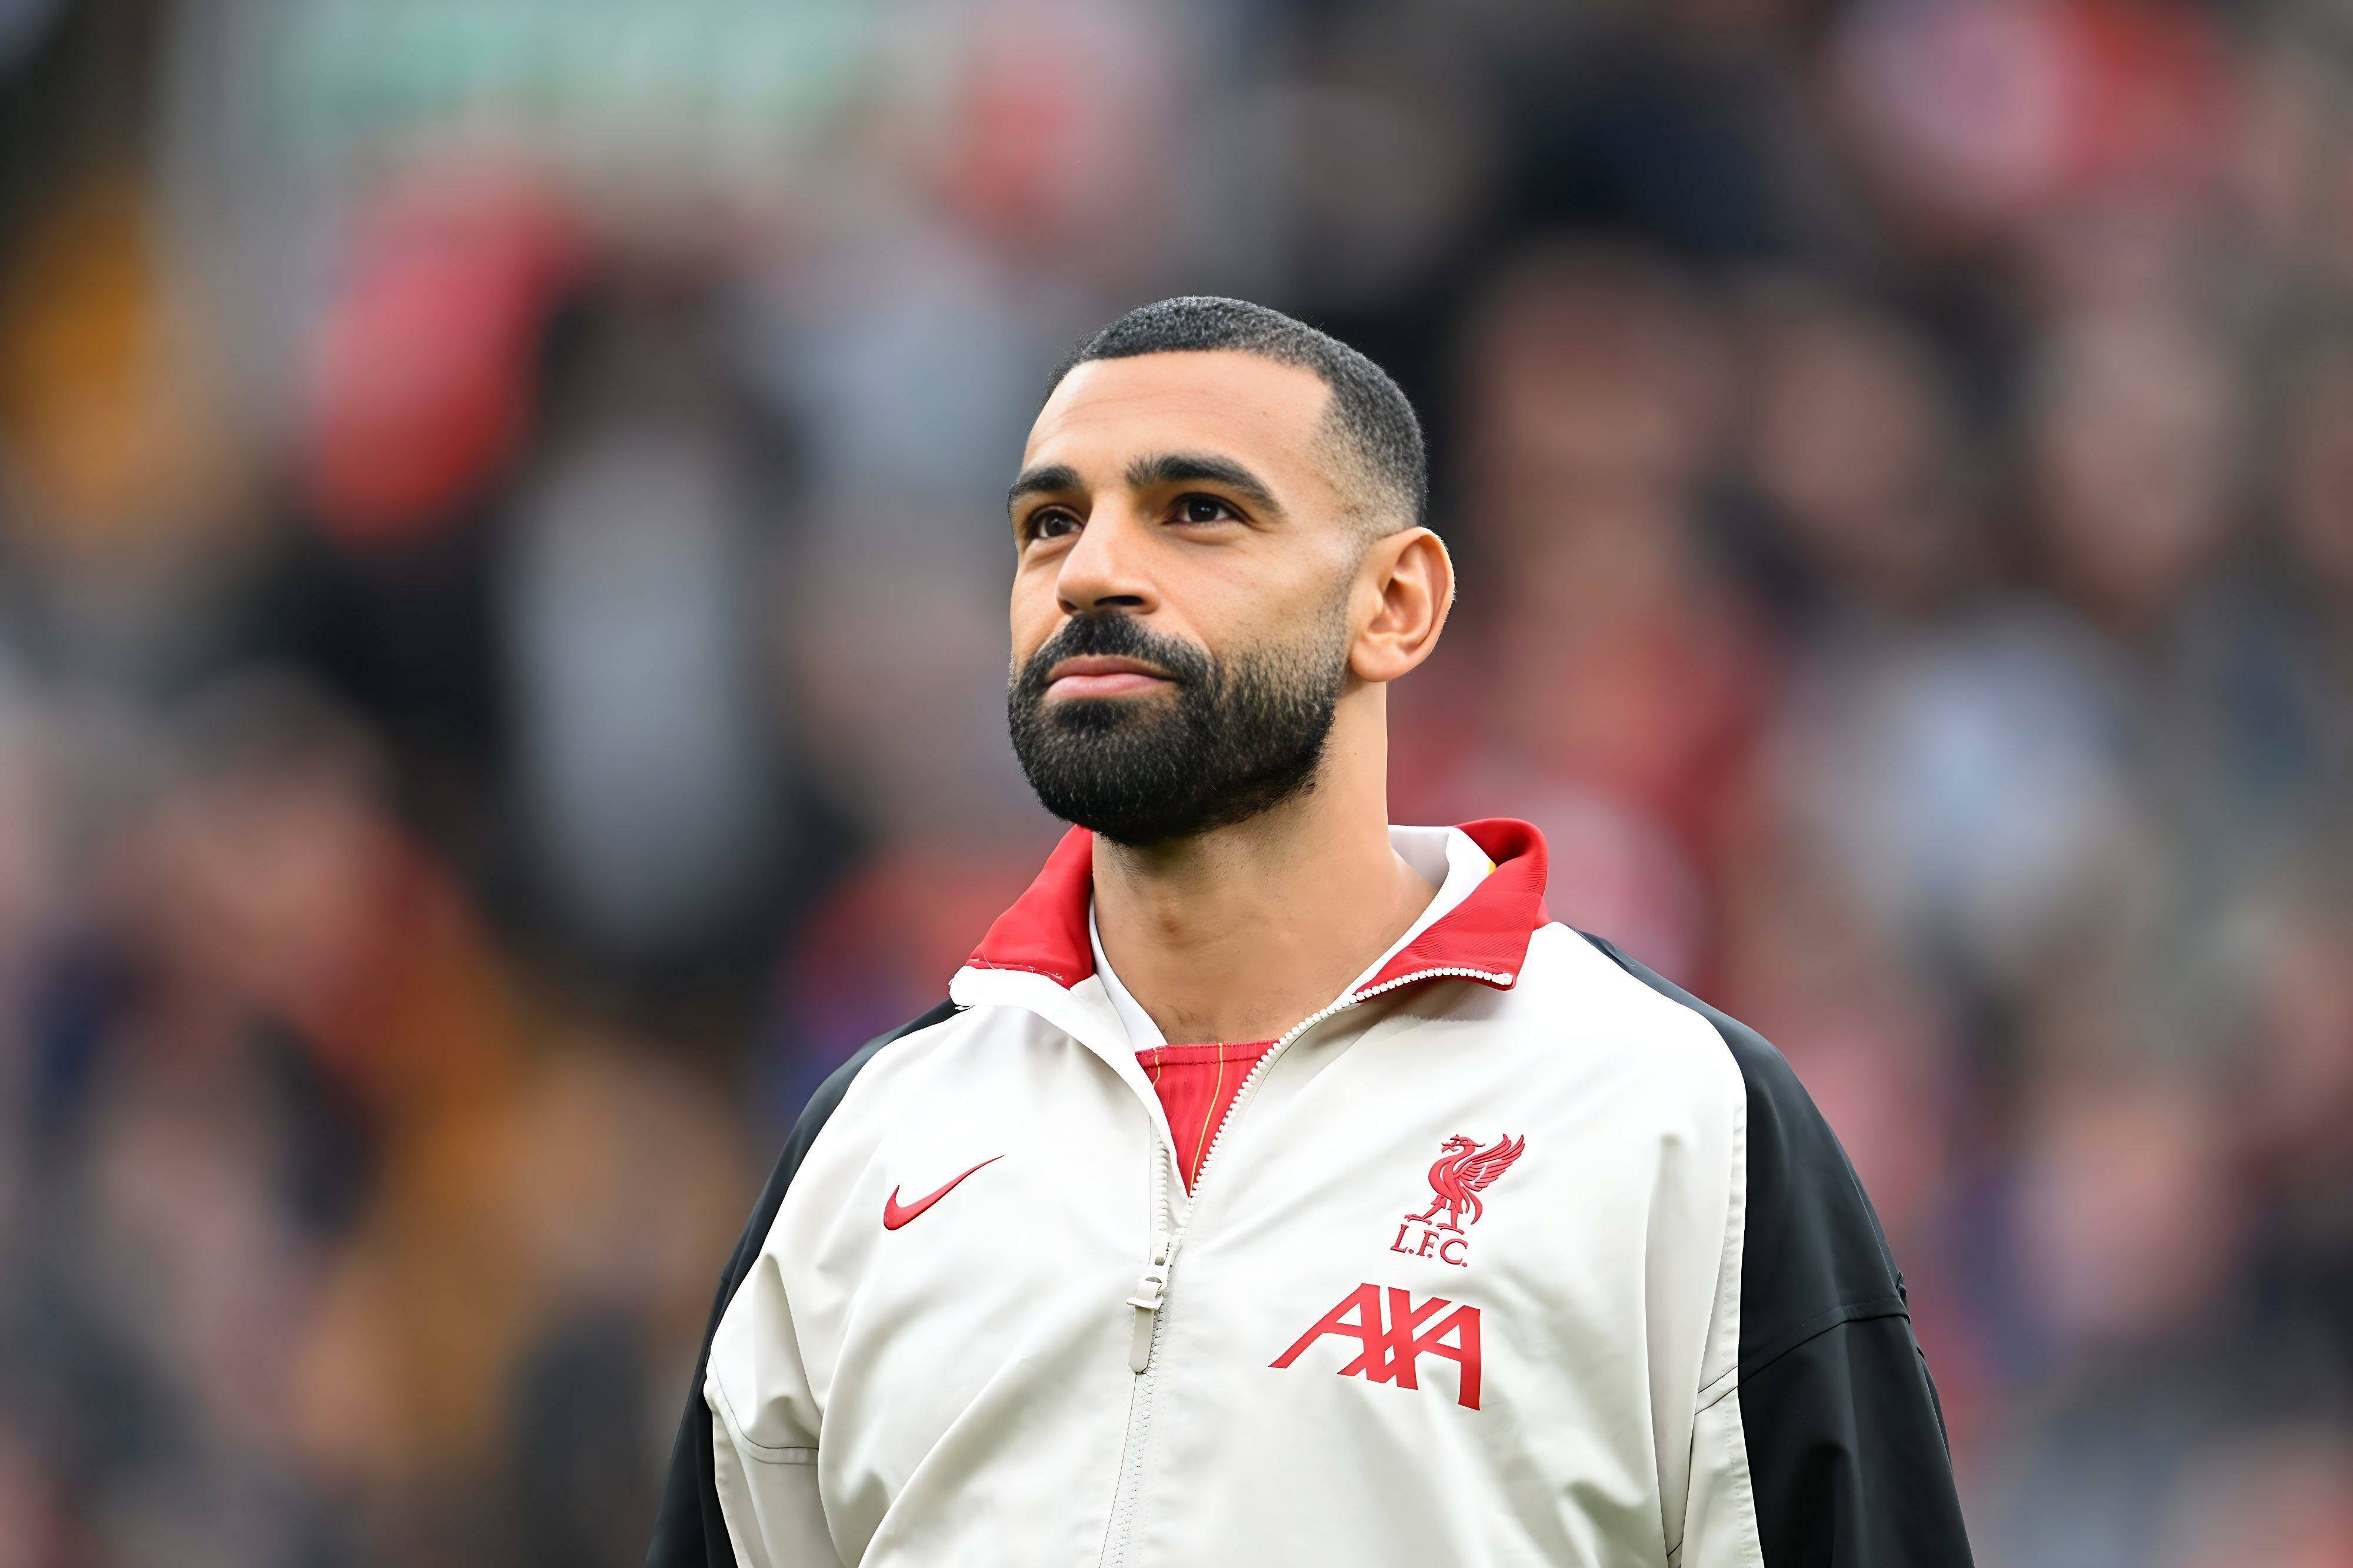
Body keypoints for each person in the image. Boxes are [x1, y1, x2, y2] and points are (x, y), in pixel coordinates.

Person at [647, 298, 1974, 1567]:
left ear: (1394, 604)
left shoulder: (1682, 1123)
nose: (1091, 570)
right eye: (1050, 523)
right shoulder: (869, 1143)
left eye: (1198, 511)